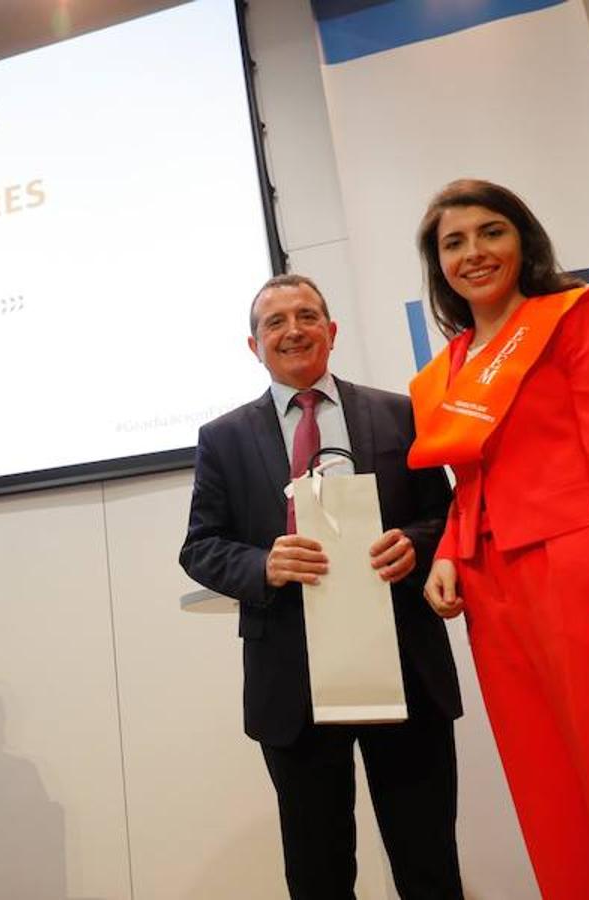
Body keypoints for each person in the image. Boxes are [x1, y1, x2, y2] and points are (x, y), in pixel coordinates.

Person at [409, 178, 589, 899]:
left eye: (491, 232)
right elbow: (475, 479)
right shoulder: (441, 374)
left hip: (586, 580)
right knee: (550, 807)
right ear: (438, 265)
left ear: (524, 240)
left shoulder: (579, 319)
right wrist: (449, 550)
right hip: (492, 600)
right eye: (454, 242)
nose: (473, 252)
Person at [180, 273, 463, 899]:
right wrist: (263, 565)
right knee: (318, 872)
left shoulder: (398, 411)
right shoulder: (223, 438)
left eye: (306, 316)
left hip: (404, 669)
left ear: (331, 332)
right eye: (274, 323)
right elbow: (199, 547)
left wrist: (412, 544)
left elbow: (446, 515)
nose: (292, 330)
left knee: (428, 861)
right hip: (293, 681)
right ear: (254, 347)